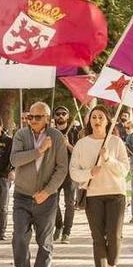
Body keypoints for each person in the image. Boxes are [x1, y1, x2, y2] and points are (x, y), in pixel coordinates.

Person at [69, 106, 130, 267]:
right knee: (98, 238)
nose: (97, 120)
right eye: (93, 117)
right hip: (93, 195)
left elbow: (124, 170)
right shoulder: (82, 144)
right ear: (89, 121)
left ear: (107, 121)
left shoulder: (116, 142)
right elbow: (74, 171)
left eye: (101, 117)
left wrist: (108, 159)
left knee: (114, 235)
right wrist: (89, 173)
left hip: (116, 193)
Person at [9, 101, 69, 267]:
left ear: (47, 118)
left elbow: (62, 169)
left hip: (47, 198)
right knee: (19, 236)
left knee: (45, 241)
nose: (32, 120)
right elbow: (15, 159)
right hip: (22, 195)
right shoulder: (21, 135)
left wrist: (48, 191)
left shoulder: (57, 137)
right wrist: (38, 151)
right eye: (30, 117)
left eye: (37, 117)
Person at [52, 105, 81, 244]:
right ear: (54, 116)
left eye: (64, 113)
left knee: (69, 203)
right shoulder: (50, 133)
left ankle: (66, 232)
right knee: (52, 202)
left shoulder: (74, 132)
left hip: (70, 172)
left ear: (68, 116)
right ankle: (58, 225)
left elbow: (79, 153)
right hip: (55, 172)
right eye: (58, 113)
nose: (61, 116)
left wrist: (68, 144)